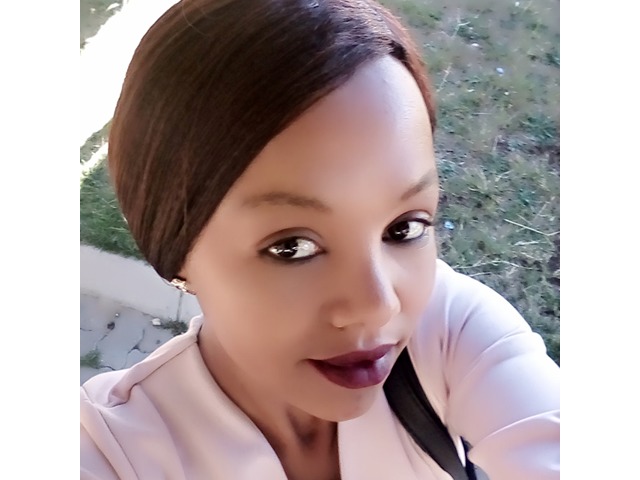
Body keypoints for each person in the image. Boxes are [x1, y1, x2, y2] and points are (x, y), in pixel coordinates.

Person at [80, 0, 560, 478]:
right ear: (174, 248)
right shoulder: (109, 451)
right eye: (292, 247)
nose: (378, 306)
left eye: (404, 228)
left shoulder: (449, 331)